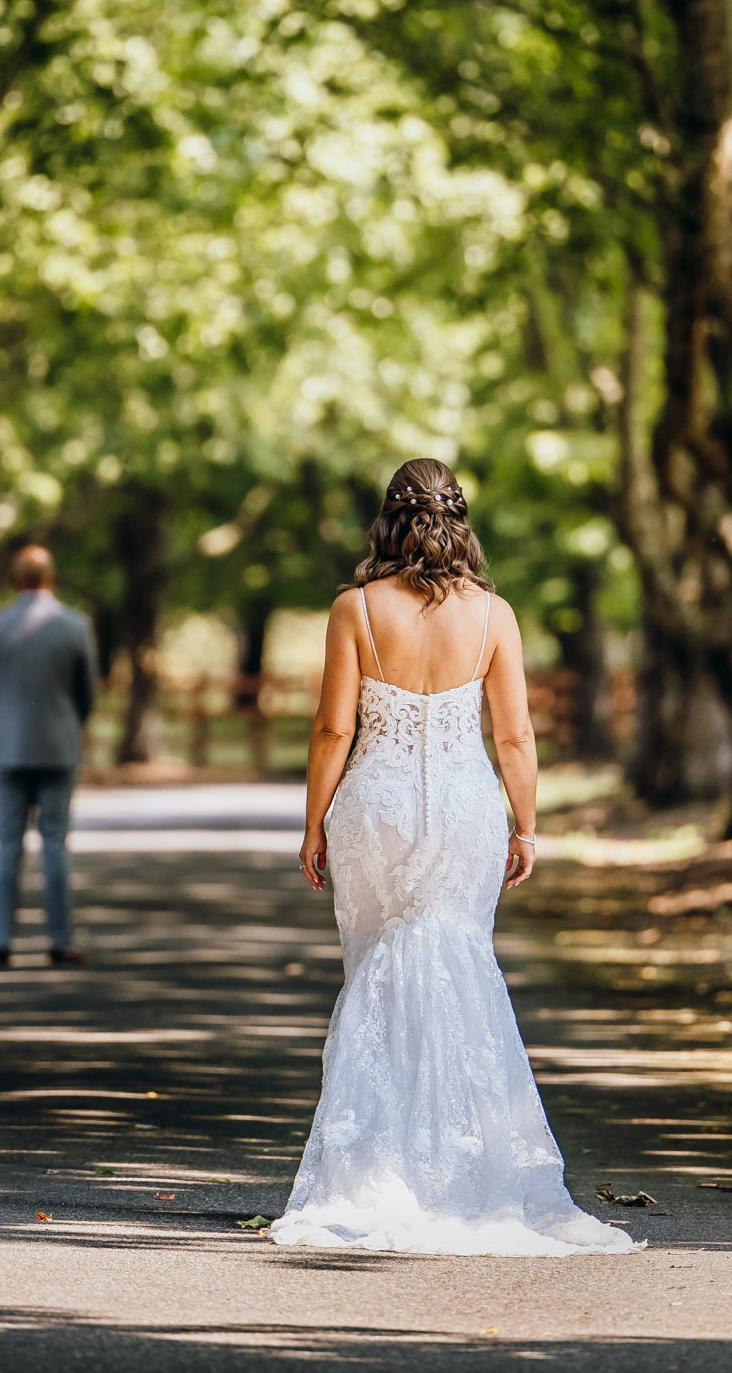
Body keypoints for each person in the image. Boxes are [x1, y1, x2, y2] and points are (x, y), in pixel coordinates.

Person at [272, 458, 642, 1256]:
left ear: (387, 521)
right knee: (458, 960)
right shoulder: (494, 614)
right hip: (469, 808)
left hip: (379, 805)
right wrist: (527, 824)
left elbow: (335, 729)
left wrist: (313, 824)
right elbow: (512, 734)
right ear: (459, 522)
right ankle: (464, 1170)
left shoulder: (354, 609)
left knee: (378, 964)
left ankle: (376, 1172)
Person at [0, 545, 99, 971]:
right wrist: (68, 723)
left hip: (7, 748)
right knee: (56, 845)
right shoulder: (75, 626)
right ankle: (60, 940)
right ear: (51, 578)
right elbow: (87, 695)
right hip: (59, 747)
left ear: (14, 580)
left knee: (7, 845)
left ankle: (0, 939)